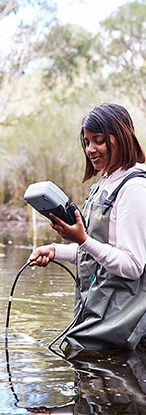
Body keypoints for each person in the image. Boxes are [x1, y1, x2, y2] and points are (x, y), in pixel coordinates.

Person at [29, 103, 146, 352]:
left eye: (99, 140)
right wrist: (55, 250)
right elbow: (96, 259)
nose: (91, 149)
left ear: (122, 137)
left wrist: (83, 240)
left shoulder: (134, 189)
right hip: (97, 311)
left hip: (120, 320)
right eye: (87, 142)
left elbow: (133, 266)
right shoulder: (104, 183)